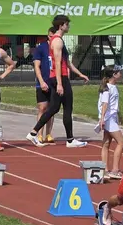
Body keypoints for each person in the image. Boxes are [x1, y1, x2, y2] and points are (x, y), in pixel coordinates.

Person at [26, 15, 90, 148]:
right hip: (59, 78)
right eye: (67, 24)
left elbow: (66, 62)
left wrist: (79, 74)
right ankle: (70, 140)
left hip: (58, 77)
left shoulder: (58, 40)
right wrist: (60, 83)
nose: (68, 27)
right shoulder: (57, 41)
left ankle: (33, 133)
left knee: (54, 108)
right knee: (67, 107)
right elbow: (58, 63)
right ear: (61, 25)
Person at [97, 65, 123, 180]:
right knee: (121, 142)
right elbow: (105, 104)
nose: (120, 74)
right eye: (119, 72)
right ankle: (115, 170)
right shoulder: (107, 89)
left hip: (111, 118)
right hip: (108, 119)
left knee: (106, 144)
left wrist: (119, 115)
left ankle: (104, 170)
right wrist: (102, 119)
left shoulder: (113, 87)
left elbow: (114, 105)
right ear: (114, 75)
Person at [31, 27, 57, 145]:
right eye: (51, 36)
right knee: (42, 108)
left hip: (54, 82)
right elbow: (37, 66)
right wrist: (41, 82)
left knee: (51, 109)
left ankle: (48, 133)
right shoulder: (41, 48)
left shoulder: (59, 47)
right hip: (43, 81)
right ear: (48, 36)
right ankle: (39, 133)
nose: (53, 39)